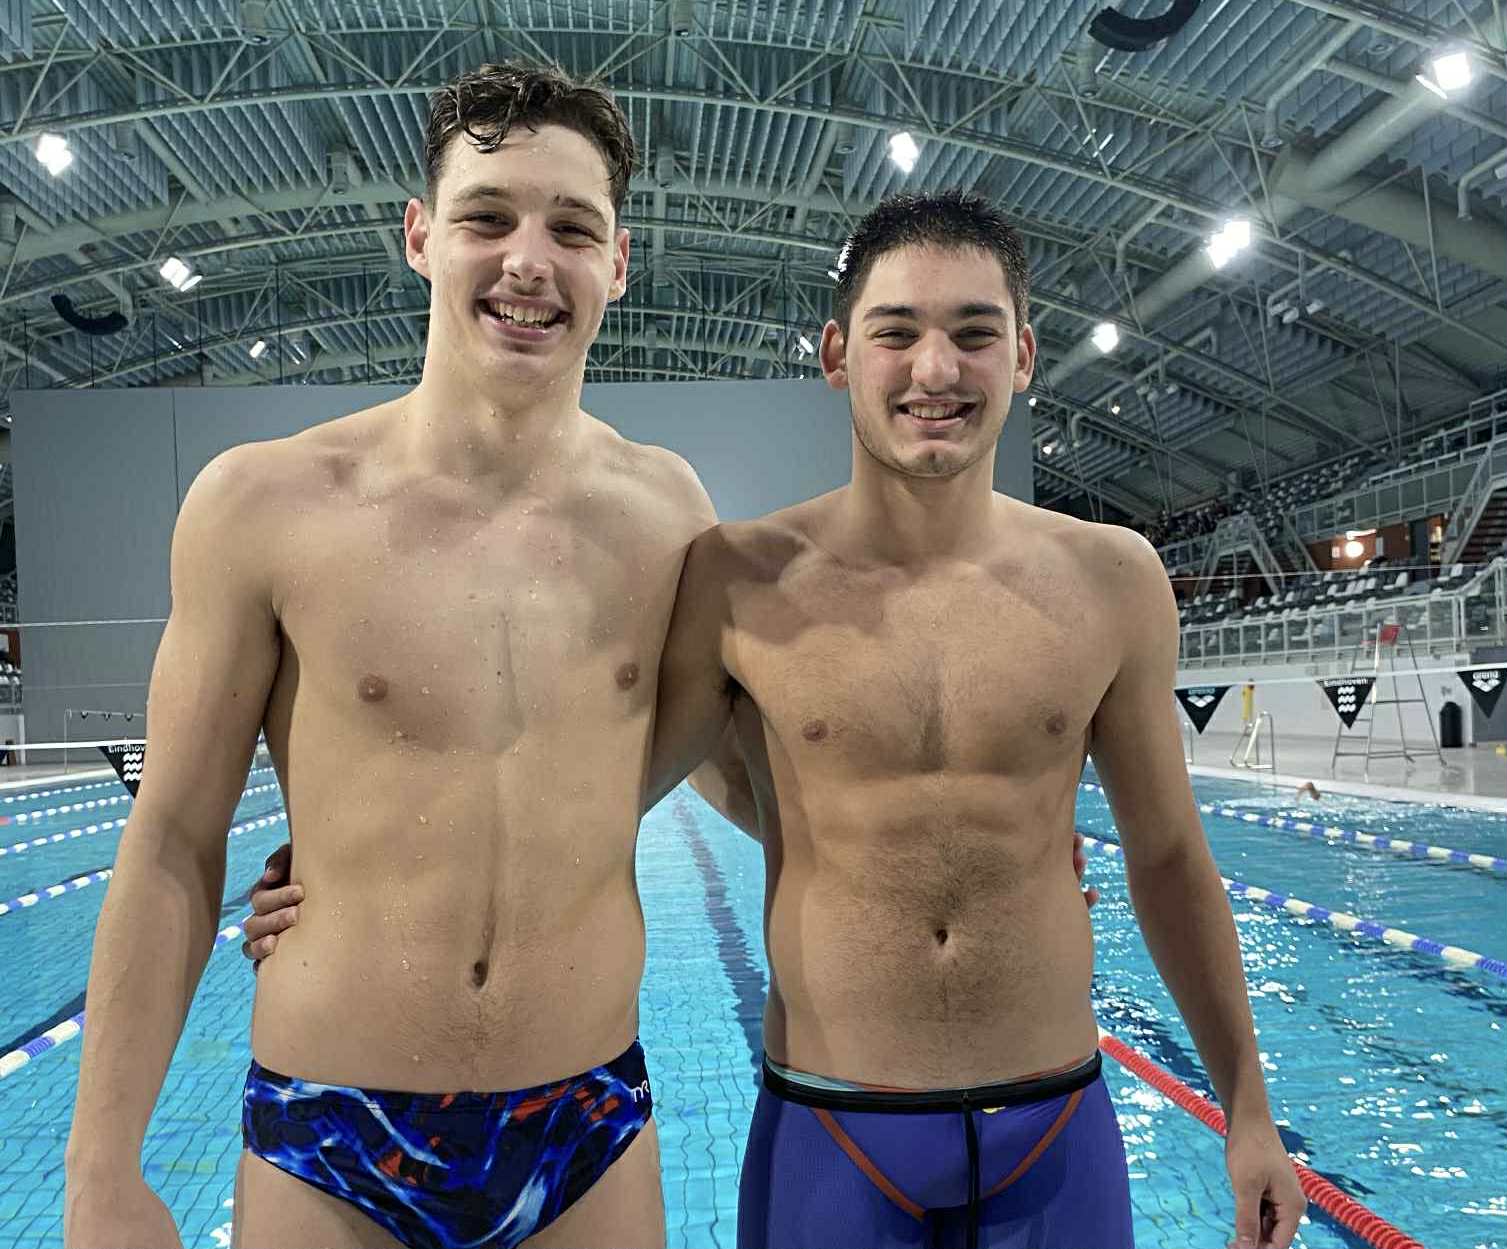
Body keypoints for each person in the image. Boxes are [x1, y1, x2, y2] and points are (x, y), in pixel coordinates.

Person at [252, 192, 1305, 1248]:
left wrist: (1247, 1109)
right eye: (896, 332)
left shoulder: (1112, 581)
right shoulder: (740, 581)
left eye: (974, 333)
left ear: (1022, 356)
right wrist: (354, 875)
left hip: (1054, 1119)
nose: (936, 369)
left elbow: (1169, 856)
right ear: (838, 354)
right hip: (833, 1130)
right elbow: (584, 790)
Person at [64, 62, 710, 1249]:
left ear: (618, 263)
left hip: (584, 1122)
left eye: (572, 228)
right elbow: (171, 839)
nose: (528, 260)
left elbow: (717, 755)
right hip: (331, 1127)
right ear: (420, 236)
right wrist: (100, 1171)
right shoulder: (263, 505)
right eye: (486, 217)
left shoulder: (668, 515)